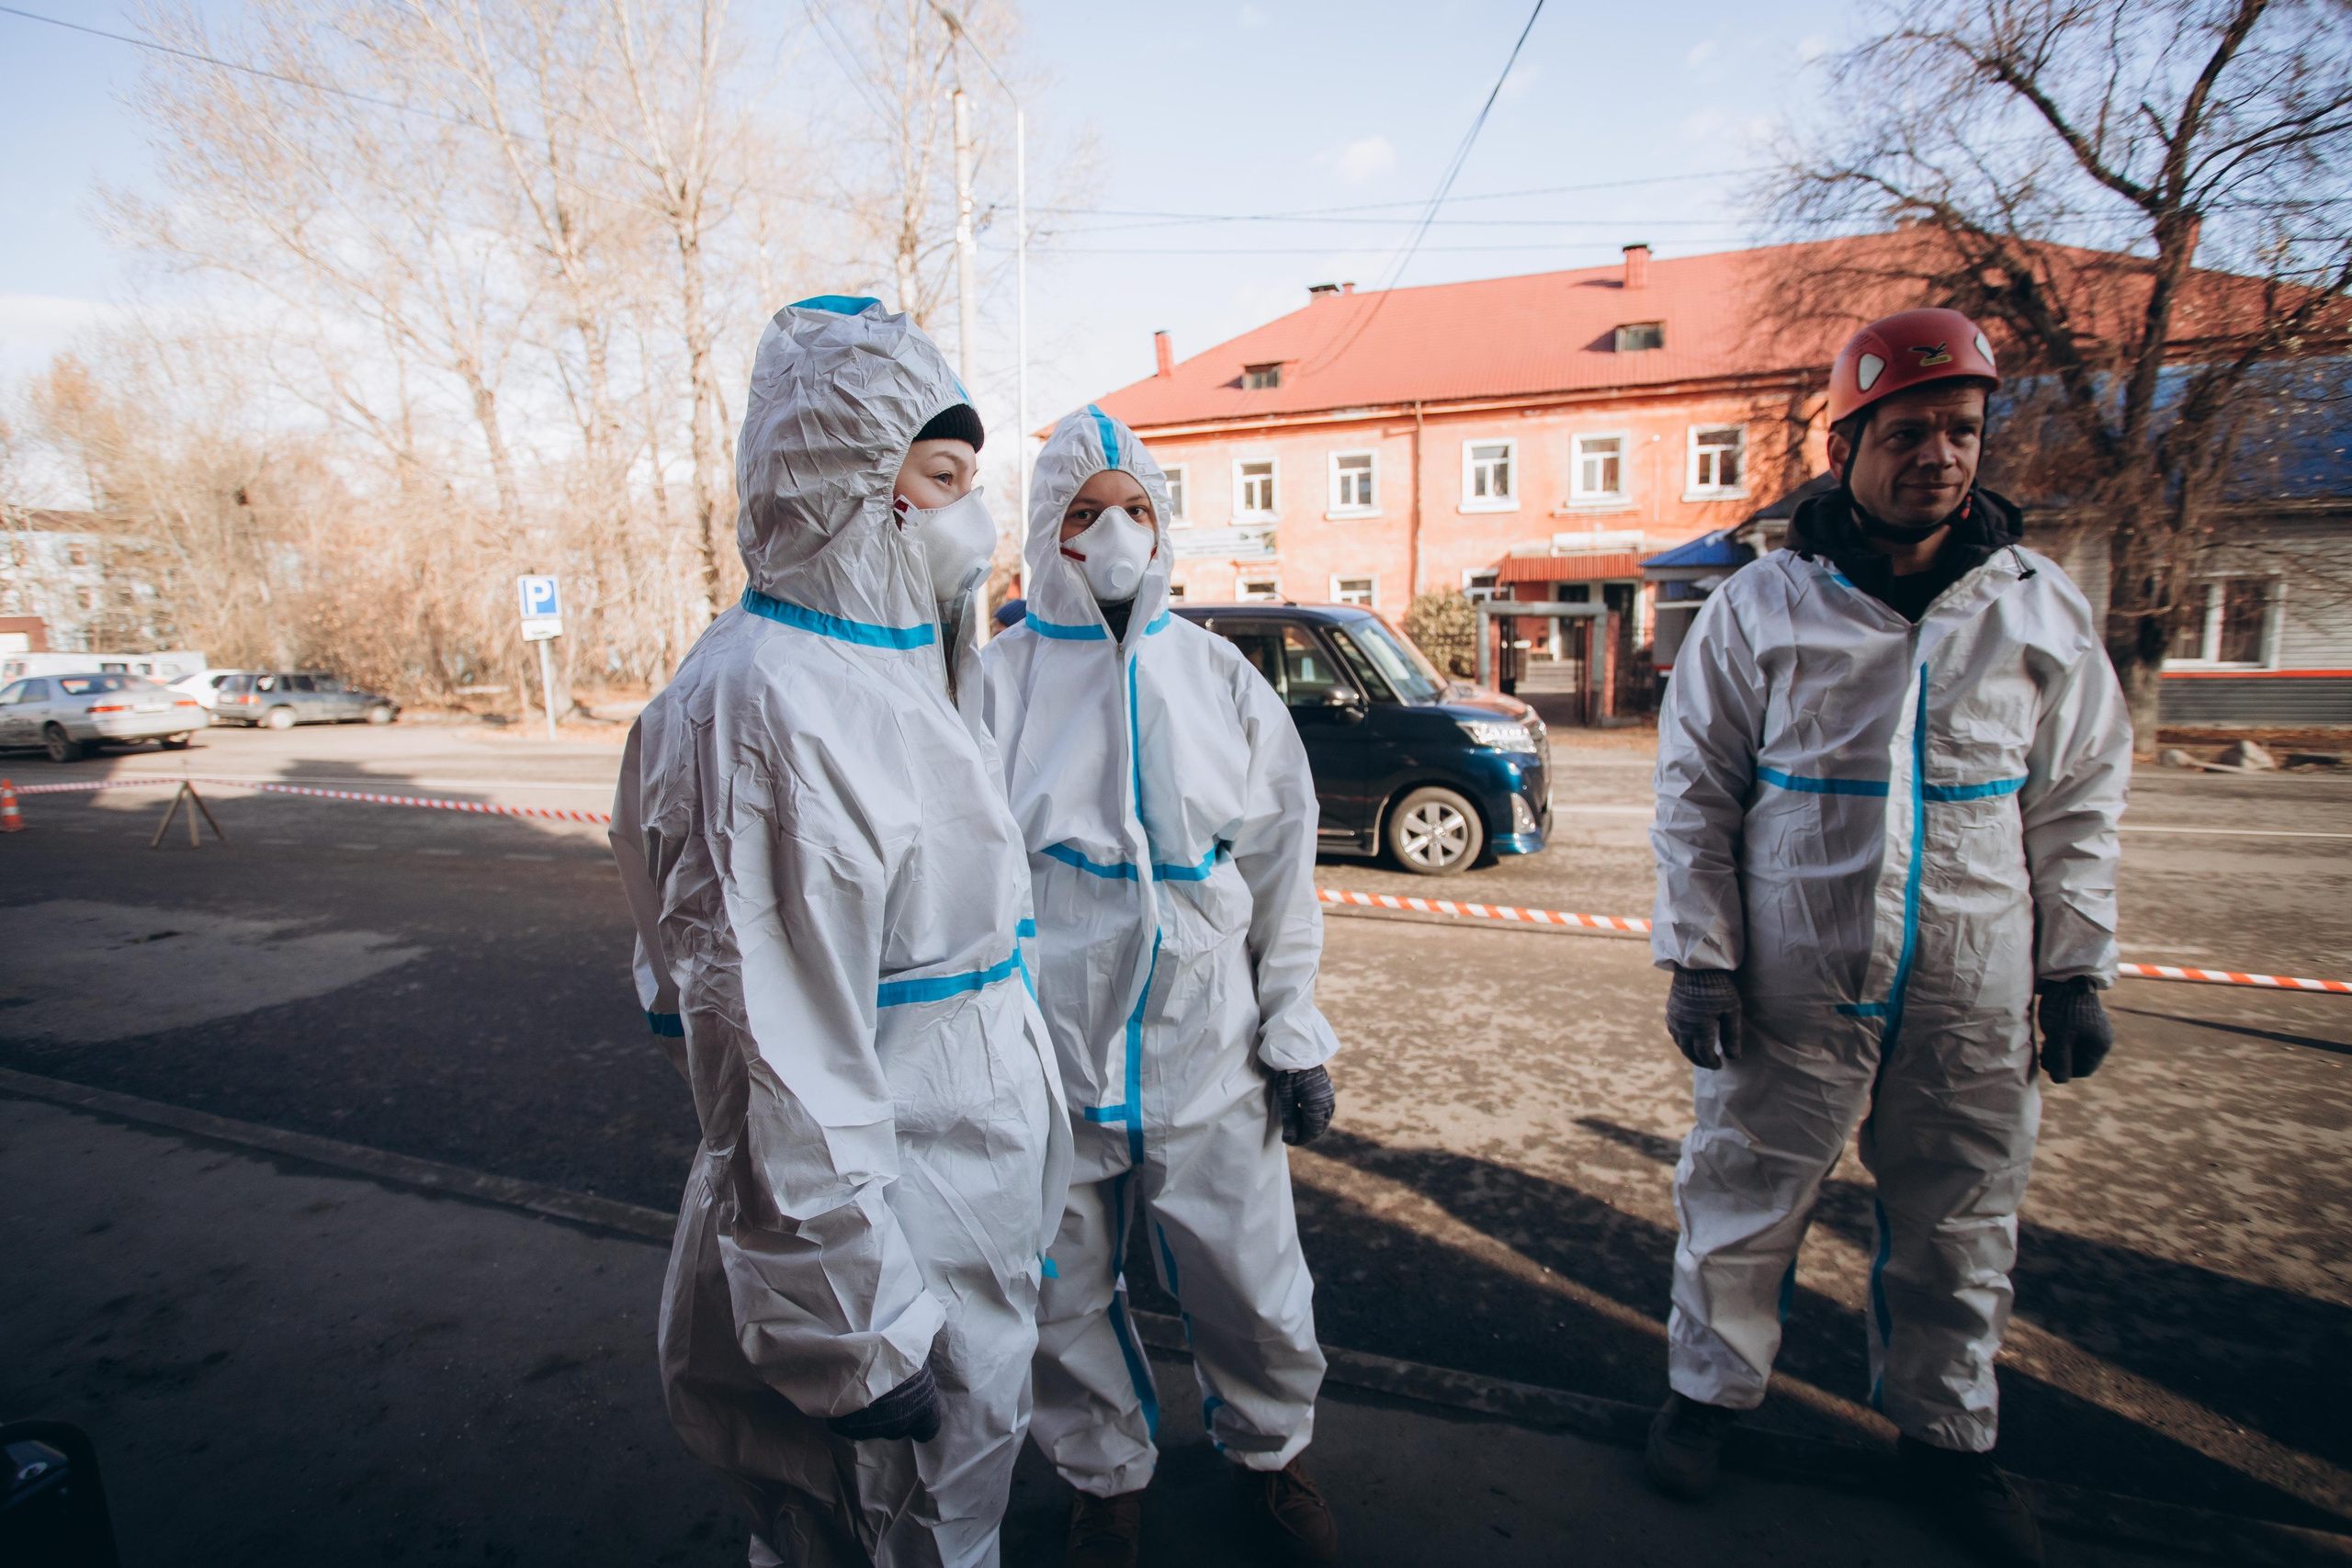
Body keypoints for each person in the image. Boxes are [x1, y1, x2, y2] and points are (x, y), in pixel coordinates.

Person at [1645, 308, 2131, 1567]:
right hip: (1794, 974)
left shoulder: (2036, 606)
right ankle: (1707, 1394)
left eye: (1962, 432)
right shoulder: (1762, 604)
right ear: (1844, 441)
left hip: (1974, 980)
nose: (1940, 456)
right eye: (1908, 430)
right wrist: (1699, 949)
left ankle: (1947, 1435)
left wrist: (2076, 964)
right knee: (1743, 1194)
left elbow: (2079, 796)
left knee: (1964, 1218)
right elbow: (1696, 789)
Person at [608, 295, 1071, 1568]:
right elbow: (770, 1058)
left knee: (937, 1521)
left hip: (952, 1200)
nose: (970, 511)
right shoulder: (765, 701)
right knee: (877, 1528)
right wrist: (846, 1323)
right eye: (942, 474)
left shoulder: (892, 675)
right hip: (884, 1242)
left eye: (976, 480)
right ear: (853, 483)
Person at [978, 406, 1342, 1568]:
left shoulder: (1218, 677)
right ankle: (1101, 1476)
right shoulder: (996, 685)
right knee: (1058, 1287)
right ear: (1046, 532)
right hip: (1047, 1051)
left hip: (1207, 1044)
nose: (1118, 534)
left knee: (1249, 1277)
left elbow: (1284, 862)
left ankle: (1271, 1454)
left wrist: (1293, 1025)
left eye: (1136, 509)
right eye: (1086, 514)